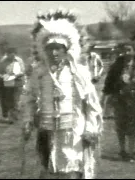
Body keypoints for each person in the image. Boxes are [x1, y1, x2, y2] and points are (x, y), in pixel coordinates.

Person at [21, 10, 103, 179]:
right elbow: (29, 98)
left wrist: (91, 128)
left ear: (67, 49)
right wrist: (28, 119)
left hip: (74, 132)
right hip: (48, 130)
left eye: (58, 48)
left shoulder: (79, 73)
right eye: (50, 49)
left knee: (72, 170)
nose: (54, 53)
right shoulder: (39, 74)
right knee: (50, 169)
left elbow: (92, 104)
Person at [102, 44, 135, 162]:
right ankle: (122, 150)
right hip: (119, 99)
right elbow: (108, 82)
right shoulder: (116, 66)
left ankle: (130, 151)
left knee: (134, 125)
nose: (126, 53)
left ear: (133, 51)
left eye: (129, 50)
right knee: (120, 125)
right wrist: (104, 97)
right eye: (124, 51)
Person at [0, 47, 26, 123]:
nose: (11, 57)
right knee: (9, 101)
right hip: (7, 83)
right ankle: (10, 116)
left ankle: (13, 118)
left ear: (15, 54)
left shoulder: (19, 61)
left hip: (18, 83)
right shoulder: (3, 61)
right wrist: (2, 76)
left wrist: (16, 75)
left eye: (13, 55)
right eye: (9, 55)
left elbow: (22, 71)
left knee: (16, 100)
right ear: (7, 54)